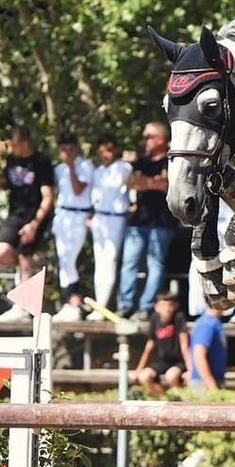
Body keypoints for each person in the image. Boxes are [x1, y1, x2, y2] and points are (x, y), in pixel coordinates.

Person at [0, 124, 54, 320]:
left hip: (35, 215)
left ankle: (23, 306)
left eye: (14, 144)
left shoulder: (41, 163)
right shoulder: (11, 160)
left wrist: (35, 224)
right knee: (1, 252)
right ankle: (27, 272)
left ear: (24, 142)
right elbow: (9, 183)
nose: (11, 148)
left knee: (25, 256)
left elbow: (48, 197)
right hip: (15, 214)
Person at [119, 122, 177, 322]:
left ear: (161, 138)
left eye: (149, 136)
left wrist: (148, 183)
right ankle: (125, 304)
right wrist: (155, 182)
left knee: (156, 264)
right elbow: (132, 182)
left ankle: (147, 306)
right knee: (129, 263)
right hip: (139, 221)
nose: (145, 140)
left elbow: (167, 184)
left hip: (162, 221)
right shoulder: (141, 161)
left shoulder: (173, 159)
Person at [51, 132, 94, 322]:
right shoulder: (58, 169)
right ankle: (69, 300)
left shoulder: (85, 166)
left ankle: (75, 299)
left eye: (70, 149)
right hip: (63, 215)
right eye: (63, 150)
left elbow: (78, 190)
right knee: (63, 260)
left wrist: (71, 168)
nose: (67, 153)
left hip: (79, 214)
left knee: (70, 259)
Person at [88, 133, 132, 319]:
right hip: (100, 218)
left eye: (109, 150)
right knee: (100, 262)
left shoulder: (123, 168)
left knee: (110, 260)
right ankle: (98, 304)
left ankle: (103, 305)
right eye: (102, 151)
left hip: (116, 217)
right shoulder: (98, 172)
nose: (105, 154)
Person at [131, 289, 190, 395]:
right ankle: (161, 397)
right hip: (162, 361)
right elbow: (149, 346)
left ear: (175, 306)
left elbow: (185, 345)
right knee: (144, 377)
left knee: (171, 376)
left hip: (178, 361)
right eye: (163, 305)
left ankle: (179, 400)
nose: (167, 309)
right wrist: (138, 369)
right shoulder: (154, 318)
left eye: (170, 305)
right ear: (157, 307)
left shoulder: (179, 317)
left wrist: (191, 370)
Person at [189, 306, 228, 391]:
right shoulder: (206, 324)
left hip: (215, 380)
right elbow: (199, 355)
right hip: (203, 384)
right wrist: (212, 386)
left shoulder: (215, 322)